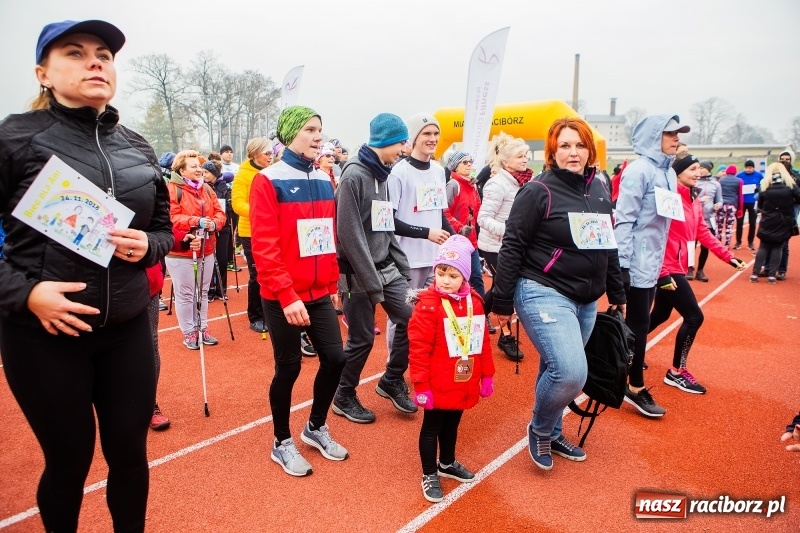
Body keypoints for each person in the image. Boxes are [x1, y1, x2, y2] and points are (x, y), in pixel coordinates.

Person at [0, 20, 172, 532]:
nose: (96, 62)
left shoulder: (138, 147)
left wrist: (148, 246)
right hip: (44, 337)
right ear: (43, 74)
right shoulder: (14, 138)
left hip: (126, 330)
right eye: (75, 53)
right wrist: (27, 294)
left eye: (104, 54)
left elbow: (162, 230)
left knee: (130, 456)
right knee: (69, 462)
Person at [492, 117, 625, 469]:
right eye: (565, 145)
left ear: (589, 150)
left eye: (579, 145)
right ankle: (540, 428)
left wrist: (617, 290)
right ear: (552, 150)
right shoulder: (538, 191)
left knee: (555, 365)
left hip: (587, 299)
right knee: (569, 372)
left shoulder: (599, 188)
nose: (573, 152)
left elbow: (606, 244)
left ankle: (552, 429)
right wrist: (502, 303)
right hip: (542, 290)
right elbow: (512, 246)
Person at [249, 106, 348, 476]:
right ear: (291, 134)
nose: (318, 135)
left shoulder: (324, 178)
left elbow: (327, 237)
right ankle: (281, 440)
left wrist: (332, 280)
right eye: (310, 129)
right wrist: (286, 294)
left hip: (318, 290)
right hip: (282, 295)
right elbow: (265, 245)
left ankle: (315, 426)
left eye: (320, 129)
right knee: (288, 368)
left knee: (336, 359)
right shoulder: (267, 180)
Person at [333, 113, 417, 423]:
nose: (403, 148)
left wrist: (402, 269)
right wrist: (373, 285)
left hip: (386, 267)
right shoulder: (354, 176)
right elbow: (350, 235)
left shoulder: (383, 175)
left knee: (413, 320)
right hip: (357, 275)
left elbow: (385, 227)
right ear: (384, 141)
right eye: (400, 142)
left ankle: (392, 379)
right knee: (362, 339)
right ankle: (343, 394)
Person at [408, 235, 495, 502]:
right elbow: (418, 350)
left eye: (453, 275)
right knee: (432, 427)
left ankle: (447, 462)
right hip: (436, 381)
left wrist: (487, 375)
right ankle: (428, 473)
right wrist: (421, 385)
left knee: (453, 423)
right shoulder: (428, 306)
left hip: (462, 378)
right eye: (441, 272)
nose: (445, 280)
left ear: (465, 277)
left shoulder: (475, 303)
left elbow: (482, 344)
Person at [649, 155, 745, 394]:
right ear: (678, 173)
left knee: (659, 315)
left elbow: (702, 231)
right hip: (667, 268)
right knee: (694, 317)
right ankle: (676, 372)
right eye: (692, 169)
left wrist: (728, 257)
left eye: (699, 168)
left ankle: (624, 347)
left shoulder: (694, 199)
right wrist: (661, 274)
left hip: (679, 265)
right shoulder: (668, 198)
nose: (698, 172)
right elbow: (655, 236)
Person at [615, 114, 689, 418]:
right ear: (653, 136)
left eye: (679, 134)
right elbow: (625, 220)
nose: (677, 139)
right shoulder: (639, 171)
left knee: (639, 324)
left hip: (655, 261)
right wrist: (622, 266)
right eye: (670, 133)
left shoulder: (668, 172)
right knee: (638, 324)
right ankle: (632, 384)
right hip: (635, 262)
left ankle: (624, 379)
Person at [386, 113, 454, 356]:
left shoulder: (438, 171)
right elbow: (388, 221)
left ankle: (421, 363)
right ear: (413, 138)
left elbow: (439, 214)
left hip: (434, 259)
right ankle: (393, 370)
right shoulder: (398, 173)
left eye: (436, 134)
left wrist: (455, 239)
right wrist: (426, 233)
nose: (433, 138)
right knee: (402, 318)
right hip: (407, 260)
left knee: (430, 314)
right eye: (426, 133)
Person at [477, 132, 530, 361]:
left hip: (513, 246)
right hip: (495, 247)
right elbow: (483, 218)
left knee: (500, 288)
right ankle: (505, 336)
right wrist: (509, 230)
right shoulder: (497, 184)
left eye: (526, 155)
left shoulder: (524, 180)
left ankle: (470, 322)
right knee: (503, 289)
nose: (525, 159)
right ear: (506, 161)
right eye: (520, 156)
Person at [165, 150, 226, 349]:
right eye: (194, 166)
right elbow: (171, 218)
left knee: (203, 291)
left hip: (207, 248)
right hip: (181, 251)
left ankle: (202, 327)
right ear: (181, 170)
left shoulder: (207, 189)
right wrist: (195, 221)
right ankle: (189, 332)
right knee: (186, 293)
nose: (199, 169)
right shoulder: (172, 190)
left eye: (199, 166)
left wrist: (214, 224)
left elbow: (219, 213)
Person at [232, 137, 272, 333]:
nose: (271, 157)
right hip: (251, 232)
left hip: (271, 231)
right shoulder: (243, 176)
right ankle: (255, 316)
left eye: (272, 153)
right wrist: (262, 212)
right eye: (267, 153)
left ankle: (269, 313)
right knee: (257, 275)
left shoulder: (271, 173)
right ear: (255, 154)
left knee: (271, 273)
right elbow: (237, 204)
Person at [443, 150, 485, 298]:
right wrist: (459, 227)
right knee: (457, 280)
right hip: (455, 241)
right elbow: (443, 212)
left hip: (471, 241)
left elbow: (478, 210)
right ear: (455, 167)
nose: (469, 165)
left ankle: (481, 315)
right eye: (464, 162)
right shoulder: (453, 185)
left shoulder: (472, 185)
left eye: (470, 162)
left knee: (476, 279)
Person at [749, 162, 800, 283]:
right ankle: (772, 275)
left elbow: (759, 203)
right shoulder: (790, 185)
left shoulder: (765, 185)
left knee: (763, 246)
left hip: (768, 218)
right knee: (778, 247)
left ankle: (755, 274)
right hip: (784, 219)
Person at [202, 160, 232, 301]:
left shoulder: (225, 187)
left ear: (214, 173)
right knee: (208, 259)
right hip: (207, 226)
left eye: (207, 172)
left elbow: (228, 209)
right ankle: (209, 290)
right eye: (203, 172)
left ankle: (221, 289)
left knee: (222, 259)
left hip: (223, 227)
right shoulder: (201, 187)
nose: (204, 175)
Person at [690, 160, 722, 282]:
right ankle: (689, 268)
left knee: (705, 246)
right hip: (693, 220)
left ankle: (700, 270)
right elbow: (688, 199)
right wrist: (699, 200)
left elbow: (719, 200)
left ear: (708, 169)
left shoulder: (716, 184)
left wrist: (718, 205)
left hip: (708, 219)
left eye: (703, 168)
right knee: (691, 245)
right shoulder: (694, 182)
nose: (700, 170)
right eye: (699, 168)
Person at [734, 160, 762, 251]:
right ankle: (738, 242)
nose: (748, 169)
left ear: (753, 168)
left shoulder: (759, 176)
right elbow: (735, 186)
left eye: (750, 168)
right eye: (746, 168)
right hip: (741, 202)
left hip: (753, 203)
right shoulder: (739, 175)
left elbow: (762, 186)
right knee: (739, 223)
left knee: (752, 223)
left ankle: (750, 242)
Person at [715, 165, 743, 248]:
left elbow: (718, 193)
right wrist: (740, 209)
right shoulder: (739, 181)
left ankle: (717, 243)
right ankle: (727, 244)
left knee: (719, 225)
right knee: (729, 226)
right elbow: (740, 196)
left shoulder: (721, 180)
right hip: (732, 205)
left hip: (722, 204)